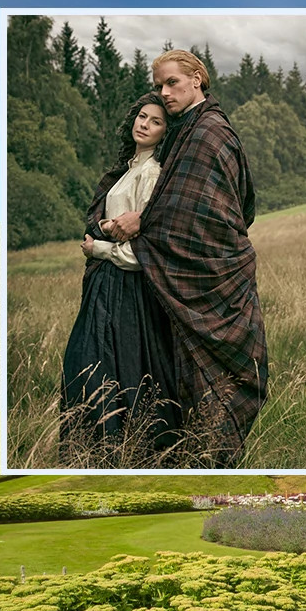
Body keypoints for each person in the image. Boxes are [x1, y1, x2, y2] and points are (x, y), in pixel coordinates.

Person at [109, 49, 269, 466]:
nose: (164, 93)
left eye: (172, 83)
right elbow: (173, 200)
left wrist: (142, 221)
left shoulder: (209, 132)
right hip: (181, 273)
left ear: (197, 78)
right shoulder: (183, 130)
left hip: (213, 275)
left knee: (218, 383)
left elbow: (212, 210)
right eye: (160, 85)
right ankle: (191, 458)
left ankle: (214, 464)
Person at [61, 92, 181, 460]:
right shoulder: (129, 169)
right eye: (142, 116)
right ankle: (92, 452)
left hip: (128, 289)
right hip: (106, 285)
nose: (144, 124)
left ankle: (121, 451)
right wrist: (103, 225)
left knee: (117, 368)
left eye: (155, 121)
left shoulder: (151, 174)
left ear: (165, 132)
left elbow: (143, 251)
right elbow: (121, 221)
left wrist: (99, 248)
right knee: (87, 365)